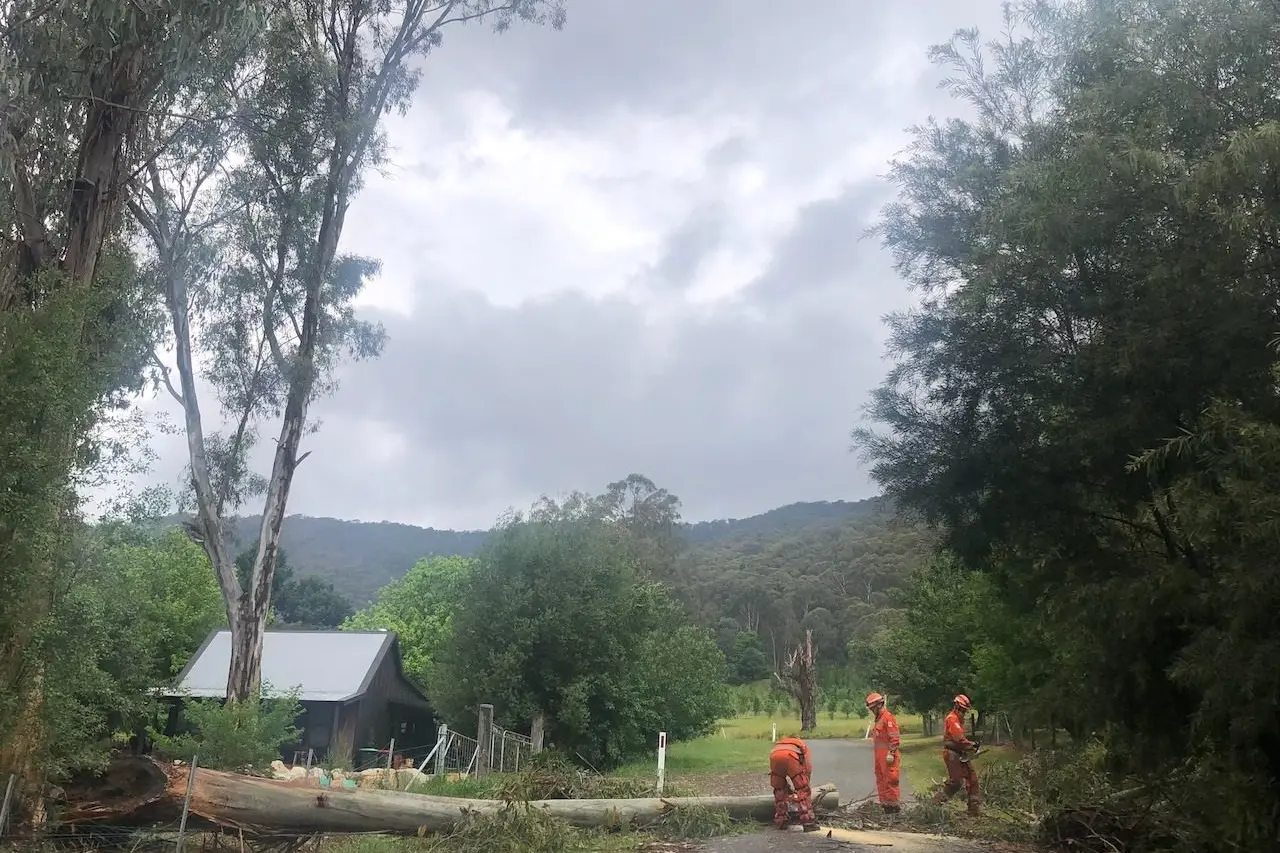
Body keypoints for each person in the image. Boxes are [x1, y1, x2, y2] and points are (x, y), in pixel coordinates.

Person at [932, 693, 981, 816]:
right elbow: (958, 738)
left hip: (960, 753)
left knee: (972, 779)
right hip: (952, 753)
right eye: (963, 710)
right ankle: (935, 805)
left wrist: (969, 747)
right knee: (956, 782)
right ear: (957, 707)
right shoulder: (952, 719)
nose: (963, 713)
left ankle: (973, 810)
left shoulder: (959, 719)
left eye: (965, 711)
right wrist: (971, 745)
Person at [768, 735, 819, 831]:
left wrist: (787, 787)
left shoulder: (780, 743)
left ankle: (781, 820)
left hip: (774, 756)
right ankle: (808, 822)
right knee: (802, 790)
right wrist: (806, 783)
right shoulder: (801, 744)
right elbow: (807, 767)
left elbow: (779, 775)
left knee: (779, 789)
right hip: (790, 757)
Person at [865, 692, 901, 814]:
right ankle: (885, 806)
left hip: (888, 756)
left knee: (890, 780)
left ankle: (894, 808)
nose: (872, 711)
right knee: (881, 780)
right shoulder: (879, 719)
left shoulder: (888, 718)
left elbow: (894, 737)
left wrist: (891, 752)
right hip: (879, 756)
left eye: (873, 708)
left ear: (879, 705)